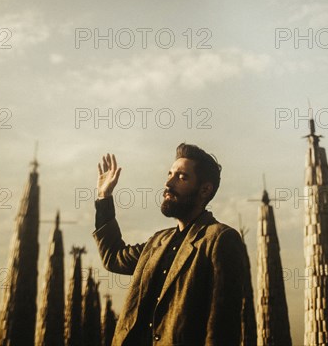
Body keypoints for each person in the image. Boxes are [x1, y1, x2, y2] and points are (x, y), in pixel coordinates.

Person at [93, 143, 247, 346]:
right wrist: (104, 197)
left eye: (181, 177)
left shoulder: (220, 239)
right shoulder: (158, 241)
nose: (169, 183)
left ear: (205, 189)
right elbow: (113, 257)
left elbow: (222, 328)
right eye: (169, 174)